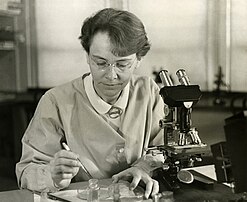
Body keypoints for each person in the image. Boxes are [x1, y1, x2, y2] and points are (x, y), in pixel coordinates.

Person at [16, 8, 165, 199]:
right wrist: (51, 175)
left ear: (138, 60)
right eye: (101, 63)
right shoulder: (55, 101)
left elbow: (164, 150)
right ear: (87, 56)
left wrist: (143, 167)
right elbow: (26, 171)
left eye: (122, 64)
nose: (111, 76)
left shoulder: (149, 92)